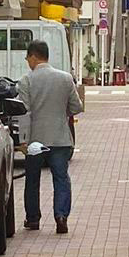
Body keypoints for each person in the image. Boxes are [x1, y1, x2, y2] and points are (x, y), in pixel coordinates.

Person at [18, 40, 83, 234]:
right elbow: (77, 107)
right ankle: (61, 216)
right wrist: (62, 114)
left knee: (32, 179)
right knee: (61, 178)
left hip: (35, 140)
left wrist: (23, 140)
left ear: (33, 56)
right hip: (60, 138)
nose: (28, 62)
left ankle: (33, 219)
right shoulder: (65, 79)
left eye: (28, 58)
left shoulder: (26, 80)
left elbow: (24, 112)